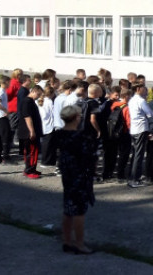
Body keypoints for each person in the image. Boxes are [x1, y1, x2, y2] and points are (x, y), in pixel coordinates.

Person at [56, 104, 97, 254]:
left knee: (68, 208)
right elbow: (90, 157)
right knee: (79, 211)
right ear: (75, 118)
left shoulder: (59, 134)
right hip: (79, 175)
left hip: (67, 173)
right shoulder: (81, 137)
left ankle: (67, 241)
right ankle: (79, 244)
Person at [127, 83, 153, 188]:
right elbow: (150, 113)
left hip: (134, 128)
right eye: (143, 88)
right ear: (138, 89)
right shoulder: (141, 101)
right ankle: (135, 179)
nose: (145, 90)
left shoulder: (132, 100)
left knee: (135, 154)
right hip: (141, 128)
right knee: (139, 155)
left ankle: (132, 176)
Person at [18, 85, 44, 179]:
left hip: (33, 130)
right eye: (38, 94)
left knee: (34, 150)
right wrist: (32, 131)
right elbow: (27, 117)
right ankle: (29, 170)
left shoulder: (31, 101)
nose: (38, 97)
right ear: (34, 91)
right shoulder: (27, 102)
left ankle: (32, 168)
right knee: (31, 151)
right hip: (28, 131)